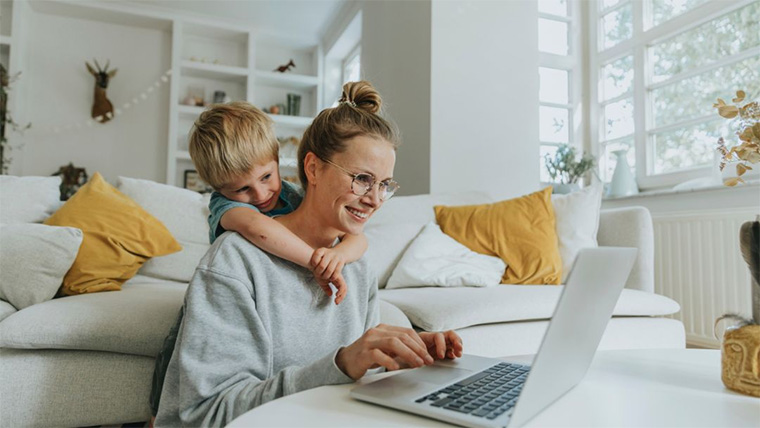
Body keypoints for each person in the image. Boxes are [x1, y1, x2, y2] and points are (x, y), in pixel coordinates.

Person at [154, 81, 463, 427]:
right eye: (362, 179)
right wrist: (342, 363)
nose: (375, 199)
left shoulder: (355, 265)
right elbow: (205, 415)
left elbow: (357, 369)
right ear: (313, 169)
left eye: (384, 185)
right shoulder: (235, 260)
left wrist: (407, 351)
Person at [148, 101, 368, 419]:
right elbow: (260, 230)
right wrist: (315, 262)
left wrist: (336, 256)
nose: (261, 194)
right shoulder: (226, 207)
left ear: (278, 160)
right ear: (219, 189)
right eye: (242, 188)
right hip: (213, 309)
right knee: (172, 373)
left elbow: (359, 239)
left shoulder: (293, 194)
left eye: (266, 176)